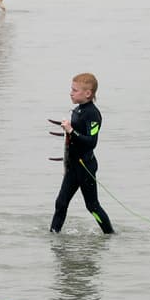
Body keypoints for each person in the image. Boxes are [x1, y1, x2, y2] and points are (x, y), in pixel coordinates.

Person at [50, 73, 114, 234]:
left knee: (92, 207)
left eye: (75, 90)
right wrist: (70, 131)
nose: (71, 93)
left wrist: (71, 131)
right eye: (71, 89)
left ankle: (110, 234)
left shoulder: (92, 114)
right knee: (61, 203)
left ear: (88, 93)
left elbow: (91, 141)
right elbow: (76, 135)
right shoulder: (77, 110)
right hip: (73, 167)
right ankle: (53, 236)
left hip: (86, 167)